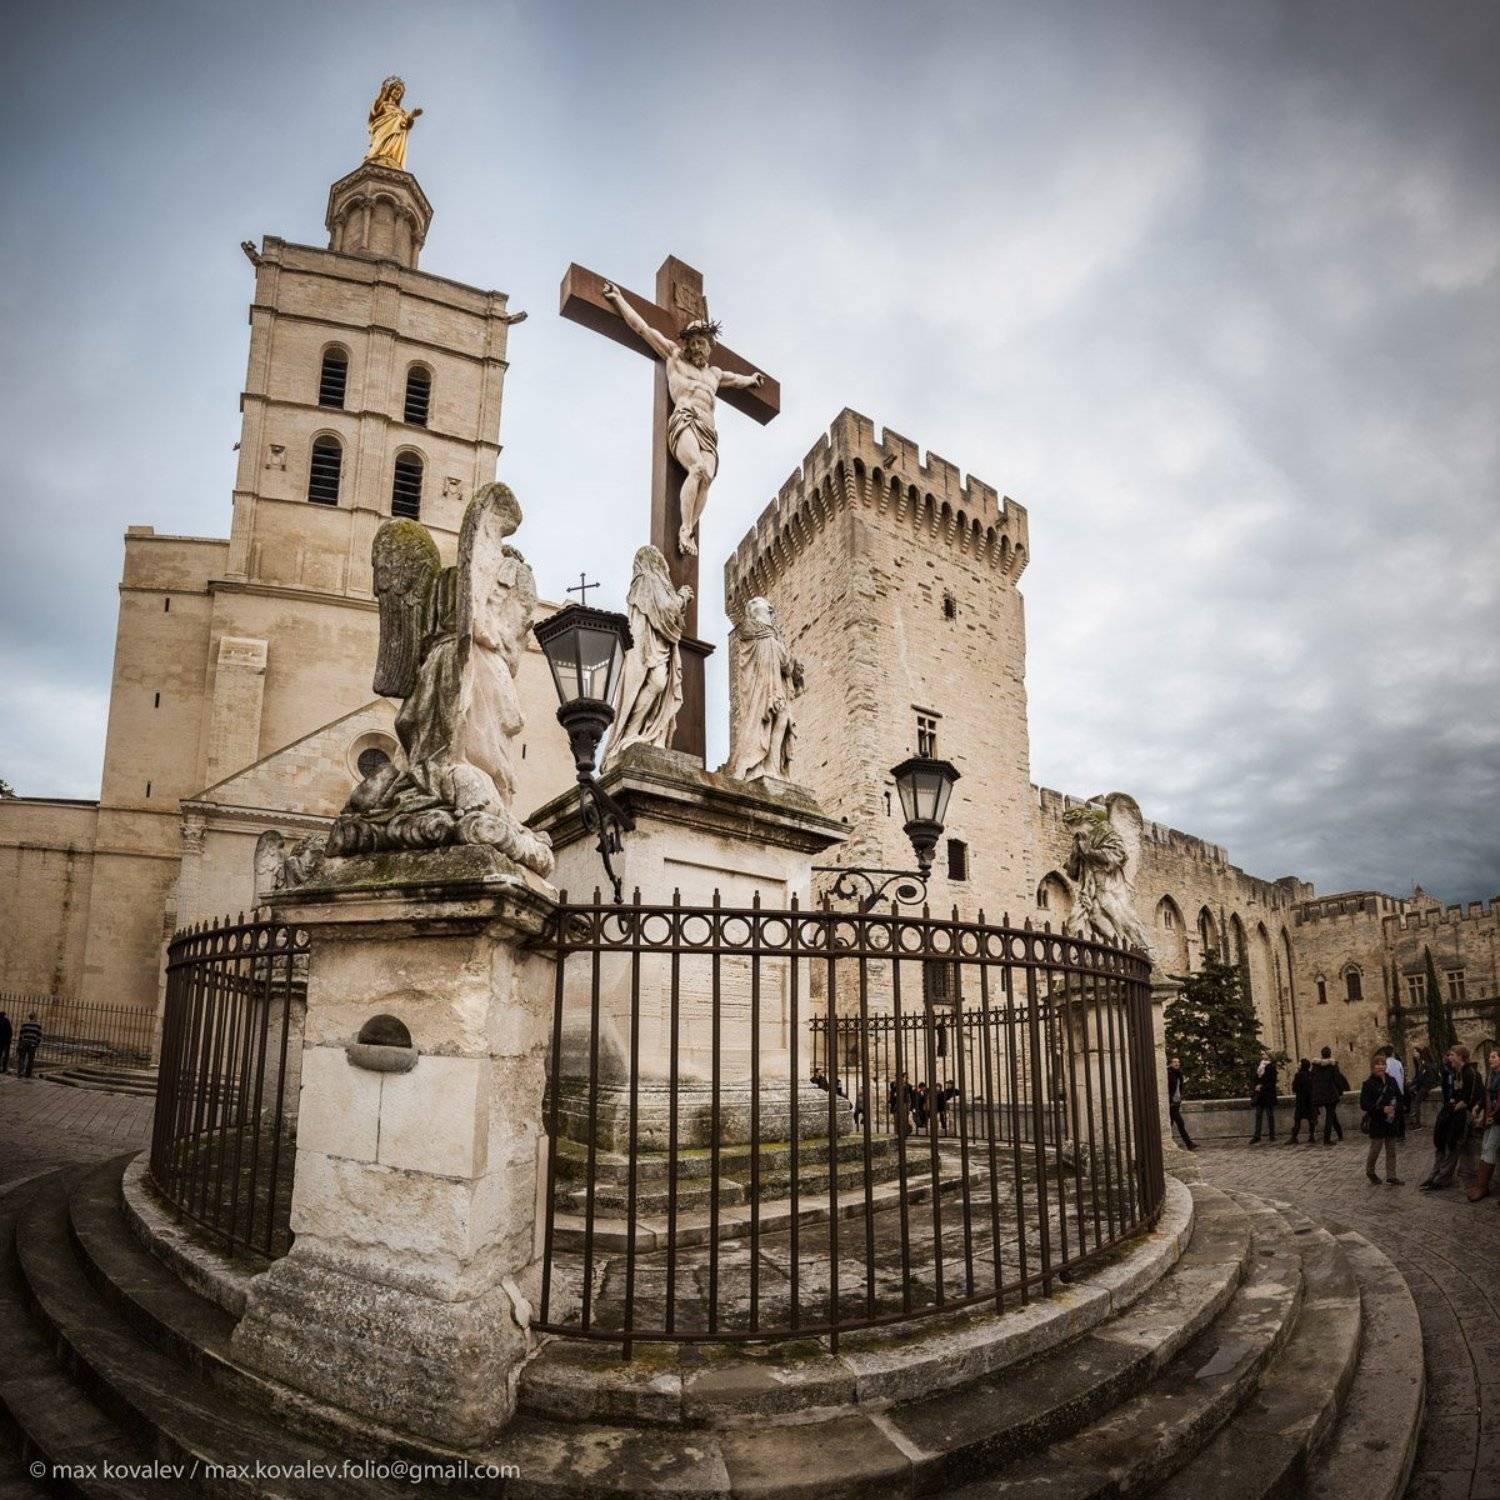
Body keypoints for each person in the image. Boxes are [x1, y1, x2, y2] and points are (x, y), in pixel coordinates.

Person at [1421, 1045, 1483, 1191]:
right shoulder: (1457, 1073)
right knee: (1449, 1143)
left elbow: (1471, 1096)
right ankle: (1438, 1176)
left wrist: (1464, 1105)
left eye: (1452, 1055)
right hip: (1455, 1113)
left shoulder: (1470, 1072)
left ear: (1461, 1056)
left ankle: (1443, 1178)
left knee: (1454, 1144)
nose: (1449, 1058)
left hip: (1463, 1115)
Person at [1361, 1052, 1405, 1185]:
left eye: (1383, 1064)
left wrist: (1396, 1108)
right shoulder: (1368, 1084)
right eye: (1377, 1064)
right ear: (1372, 1067)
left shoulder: (1391, 1080)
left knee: (1391, 1149)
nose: (1380, 1067)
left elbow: (1399, 1097)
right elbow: (1364, 1104)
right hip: (1377, 1121)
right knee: (1376, 1149)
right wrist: (1381, 1109)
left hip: (1391, 1120)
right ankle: (1370, 1171)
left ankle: (1391, 1175)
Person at [1468, 1046, 1500, 1203]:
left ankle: (1483, 1186)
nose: (1490, 1059)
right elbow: (1486, 1094)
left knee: (1489, 1148)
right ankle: (1481, 1184)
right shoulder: (1491, 1076)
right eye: (1490, 1057)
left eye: (1494, 1057)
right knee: (1485, 1147)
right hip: (1491, 1118)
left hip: (1497, 1120)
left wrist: (1494, 1117)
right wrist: (1478, 1106)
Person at [1309, 1047, 1349, 1144]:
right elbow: (1337, 1079)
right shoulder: (1333, 1065)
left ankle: (1340, 1134)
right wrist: (1340, 1091)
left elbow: (1312, 1078)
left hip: (1320, 1094)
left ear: (1322, 1054)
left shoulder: (1315, 1066)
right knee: (1330, 1116)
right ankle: (1327, 1139)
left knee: (1332, 1114)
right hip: (1330, 1094)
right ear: (1329, 1054)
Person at [1166, 1056, 1197, 1150]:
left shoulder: (1178, 1073)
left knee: (1171, 1123)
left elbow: (1179, 1088)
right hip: (1171, 1103)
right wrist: (1170, 1100)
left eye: (1178, 1062)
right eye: (1175, 1062)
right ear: (1170, 1063)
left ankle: (1188, 1144)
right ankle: (1189, 1144)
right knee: (1180, 1123)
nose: (1177, 1063)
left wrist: (1179, 1098)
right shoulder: (1168, 1073)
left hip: (1176, 1102)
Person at [1249, 1051, 1278, 1142]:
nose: (1262, 1055)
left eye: (1264, 1054)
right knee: (1258, 1115)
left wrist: (1262, 1086)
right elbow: (1255, 1078)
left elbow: (1272, 1082)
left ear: (1269, 1056)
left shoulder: (1271, 1067)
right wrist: (1256, 1086)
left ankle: (1272, 1135)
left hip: (1268, 1094)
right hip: (1260, 1095)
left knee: (1270, 1115)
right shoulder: (1260, 1066)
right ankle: (1257, 1135)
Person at [1287, 1059, 1316, 1144]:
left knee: (1297, 1120)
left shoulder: (1298, 1075)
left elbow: (1294, 1088)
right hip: (1310, 1100)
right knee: (1311, 1119)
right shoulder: (1311, 1075)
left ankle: (1294, 1137)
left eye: (1299, 1064)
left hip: (1301, 1101)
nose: (1298, 1065)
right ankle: (1311, 1136)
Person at [15, 1012, 42, 1079]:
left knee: (22, 1058)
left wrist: (20, 1043)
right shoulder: (38, 1026)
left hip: (24, 1043)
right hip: (32, 1044)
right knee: (30, 1059)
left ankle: (20, 1073)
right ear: (35, 1017)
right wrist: (37, 1044)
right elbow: (39, 1036)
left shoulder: (25, 1024)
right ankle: (28, 1074)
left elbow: (21, 1035)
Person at [0, 1009, 11, 1074]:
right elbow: (10, 1031)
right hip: (5, 1041)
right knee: (5, 1056)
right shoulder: (6, 1021)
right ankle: (4, 1068)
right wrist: (8, 1038)